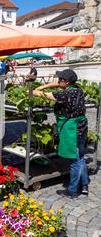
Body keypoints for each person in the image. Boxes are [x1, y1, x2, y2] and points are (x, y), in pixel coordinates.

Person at [33, 69, 89, 198]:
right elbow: (60, 86)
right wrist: (58, 84)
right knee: (80, 158)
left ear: (67, 82)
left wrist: (40, 87)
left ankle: (73, 190)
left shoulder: (64, 95)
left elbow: (38, 93)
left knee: (75, 161)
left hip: (72, 130)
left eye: (60, 80)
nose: (57, 82)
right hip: (81, 128)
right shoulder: (78, 90)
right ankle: (84, 185)